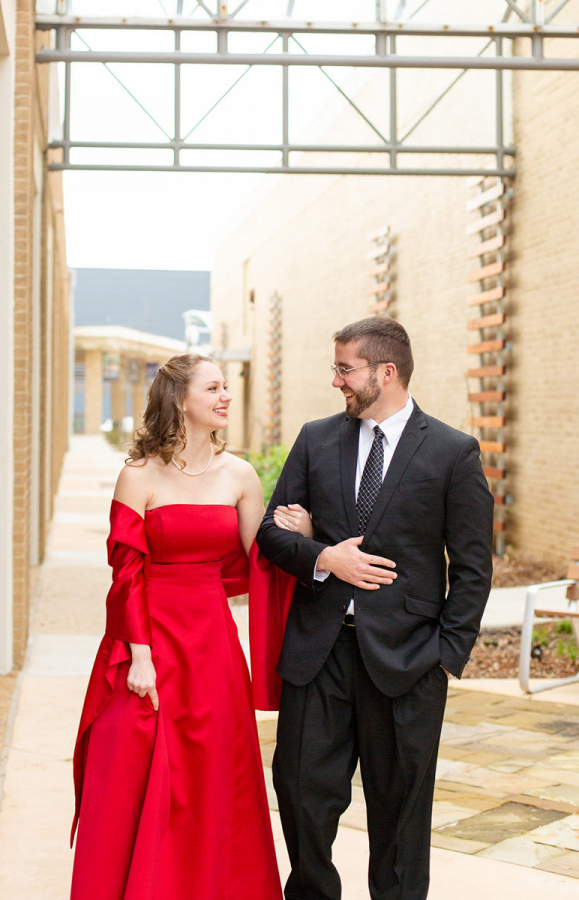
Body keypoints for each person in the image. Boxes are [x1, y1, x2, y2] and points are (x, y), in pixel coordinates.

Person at [257, 317, 494, 900]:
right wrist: (324, 557)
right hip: (319, 655)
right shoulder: (317, 438)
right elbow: (270, 532)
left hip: (409, 663)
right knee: (300, 792)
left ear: (385, 372)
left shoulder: (451, 451)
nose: (336, 380)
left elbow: (472, 567)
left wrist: (446, 654)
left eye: (345, 368)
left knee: (400, 817)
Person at [69, 353, 308, 900]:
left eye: (226, 387)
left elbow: (261, 561)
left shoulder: (240, 474)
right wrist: (142, 654)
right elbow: (126, 572)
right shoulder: (139, 475)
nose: (225, 396)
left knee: (211, 775)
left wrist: (306, 534)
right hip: (145, 639)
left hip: (213, 647)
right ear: (180, 400)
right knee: (128, 768)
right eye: (214, 388)